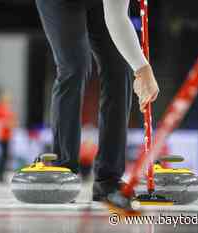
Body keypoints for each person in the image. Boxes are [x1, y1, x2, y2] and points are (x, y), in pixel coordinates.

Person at [35, 0, 159, 206]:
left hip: (100, 4)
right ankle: (64, 169)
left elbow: (117, 17)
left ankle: (109, 178)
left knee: (120, 71)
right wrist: (143, 68)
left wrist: (139, 67)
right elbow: (115, 20)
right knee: (75, 67)